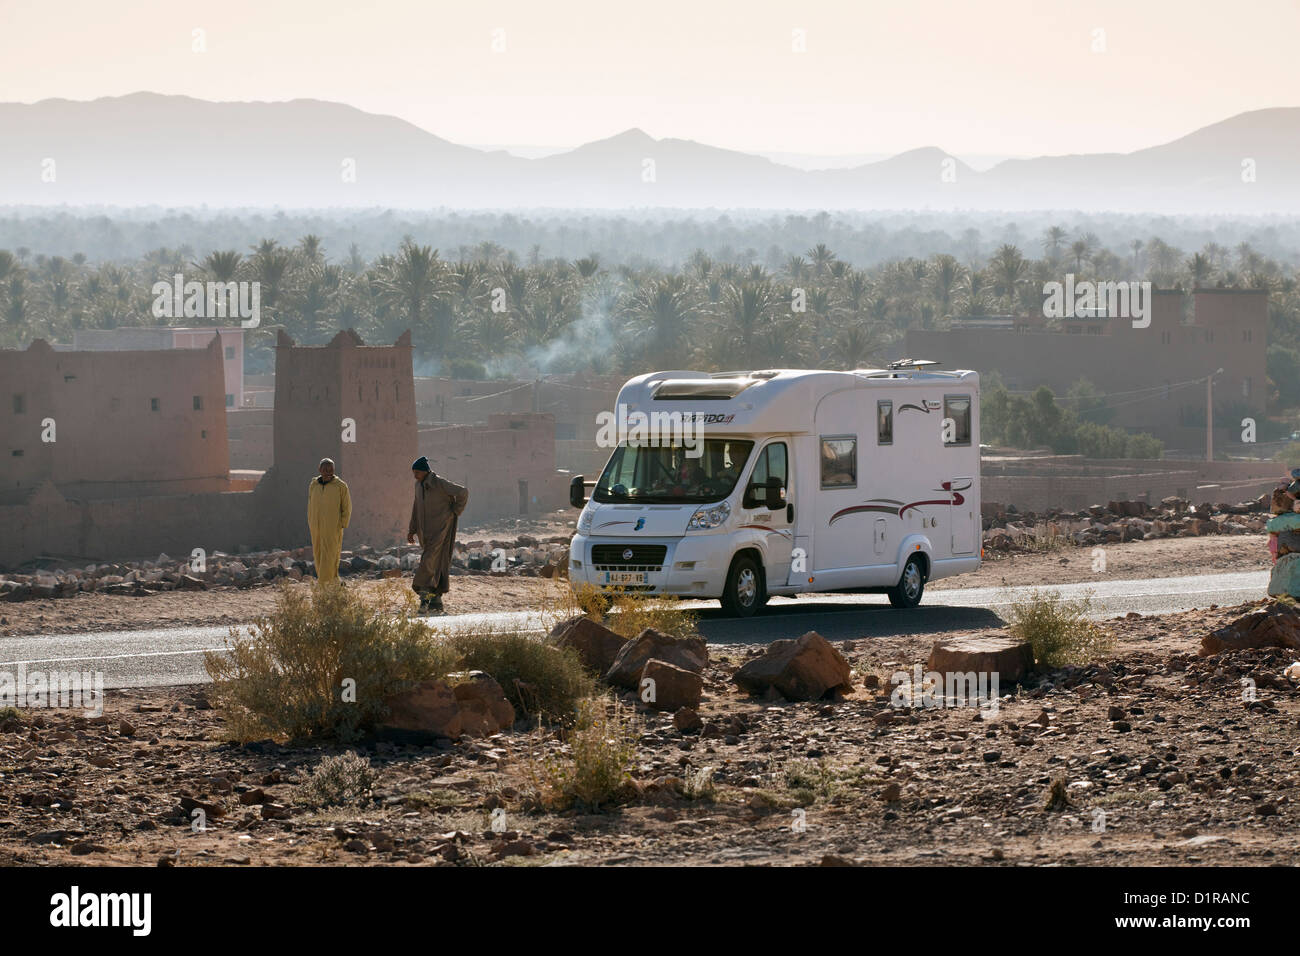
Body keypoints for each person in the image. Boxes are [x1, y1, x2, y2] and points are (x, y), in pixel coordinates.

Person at [407, 456, 468, 614]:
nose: (415, 475)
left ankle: (424, 600)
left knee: (427, 562)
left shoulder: (439, 483)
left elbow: (462, 492)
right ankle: (436, 600)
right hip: (425, 533)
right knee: (437, 562)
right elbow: (416, 507)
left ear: (425, 471)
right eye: (414, 473)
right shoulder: (418, 486)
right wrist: (411, 530)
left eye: (417, 472)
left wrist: (455, 511)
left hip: (442, 529)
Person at [307, 458, 351, 586]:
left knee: (331, 555)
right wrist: (311, 520)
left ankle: (323, 584)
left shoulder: (340, 486)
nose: (328, 472)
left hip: (333, 527)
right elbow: (310, 504)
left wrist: (342, 523)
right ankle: (334, 582)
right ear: (319, 470)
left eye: (330, 469)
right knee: (318, 553)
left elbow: (347, 507)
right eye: (325, 469)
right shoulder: (314, 485)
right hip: (316, 526)